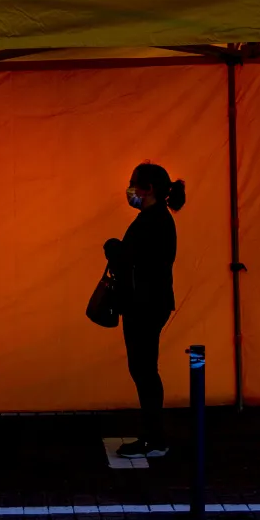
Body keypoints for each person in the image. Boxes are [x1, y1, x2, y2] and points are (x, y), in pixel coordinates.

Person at [104, 163, 186, 459]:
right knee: (143, 369)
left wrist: (115, 250)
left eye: (133, 184)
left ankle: (154, 439)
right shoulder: (154, 219)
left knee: (144, 370)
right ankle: (153, 436)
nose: (130, 190)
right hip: (148, 304)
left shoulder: (153, 221)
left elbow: (139, 264)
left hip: (146, 306)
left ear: (148, 189)